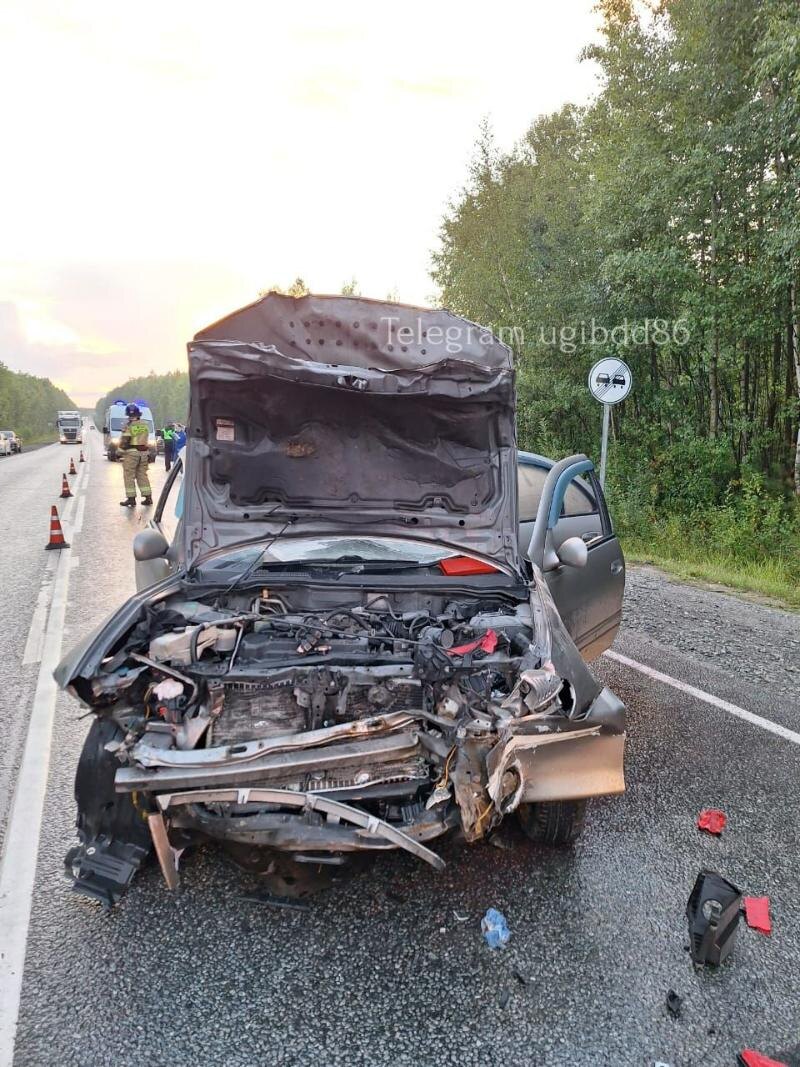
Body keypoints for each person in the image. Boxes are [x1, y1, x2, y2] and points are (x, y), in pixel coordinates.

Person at [119, 403, 153, 507]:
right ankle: (148, 498)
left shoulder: (129, 425)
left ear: (128, 415)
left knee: (129, 476)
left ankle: (131, 499)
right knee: (142, 475)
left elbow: (125, 441)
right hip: (143, 453)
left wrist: (118, 453)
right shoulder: (144, 424)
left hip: (131, 453)